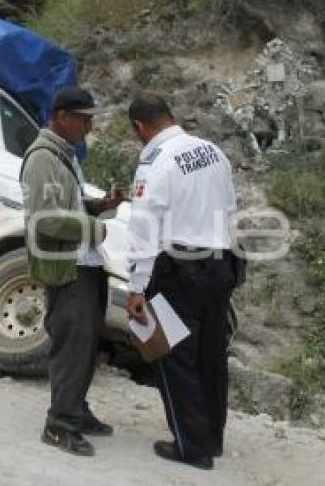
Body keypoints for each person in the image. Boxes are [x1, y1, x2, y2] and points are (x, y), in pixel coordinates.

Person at [124, 92, 239, 470]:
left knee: (174, 354)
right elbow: (231, 208)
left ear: (140, 127)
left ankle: (192, 446)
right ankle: (213, 437)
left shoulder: (156, 161)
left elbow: (143, 226)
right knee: (211, 354)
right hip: (220, 262)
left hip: (181, 266)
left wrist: (136, 286)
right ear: (170, 116)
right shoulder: (213, 152)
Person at [20, 86, 124, 456]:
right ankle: (59, 425)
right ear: (62, 116)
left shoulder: (65, 155)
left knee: (87, 344)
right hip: (67, 267)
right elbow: (43, 218)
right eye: (84, 119)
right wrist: (93, 227)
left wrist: (100, 205)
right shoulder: (42, 157)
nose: (89, 126)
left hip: (86, 263)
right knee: (71, 347)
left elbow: (69, 204)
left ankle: (76, 410)